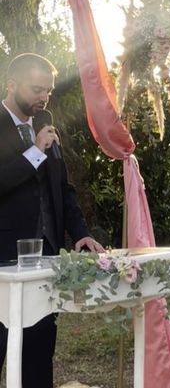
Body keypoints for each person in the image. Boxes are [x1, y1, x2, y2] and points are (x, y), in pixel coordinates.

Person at [0, 53, 104, 388]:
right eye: (36, 89)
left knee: (40, 351)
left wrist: (81, 234)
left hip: (46, 256)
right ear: (11, 84)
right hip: (2, 257)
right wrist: (35, 153)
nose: (43, 98)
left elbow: (63, 190)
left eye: (48, 91)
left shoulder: (45, 128)